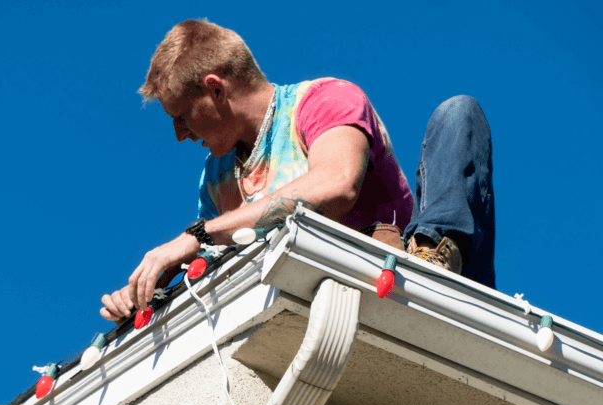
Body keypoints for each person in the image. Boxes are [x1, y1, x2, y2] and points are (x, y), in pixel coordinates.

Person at [100, 20, 495, 323]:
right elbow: (207, 266)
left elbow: (337, 184)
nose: (179, 134)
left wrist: (199, 233)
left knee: (457, 114)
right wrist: (143, 295)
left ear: (216, 89)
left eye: (182, 116)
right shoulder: (216, 179)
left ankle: (432, 256)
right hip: (313, 304)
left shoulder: (322, 100)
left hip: (399, 278)